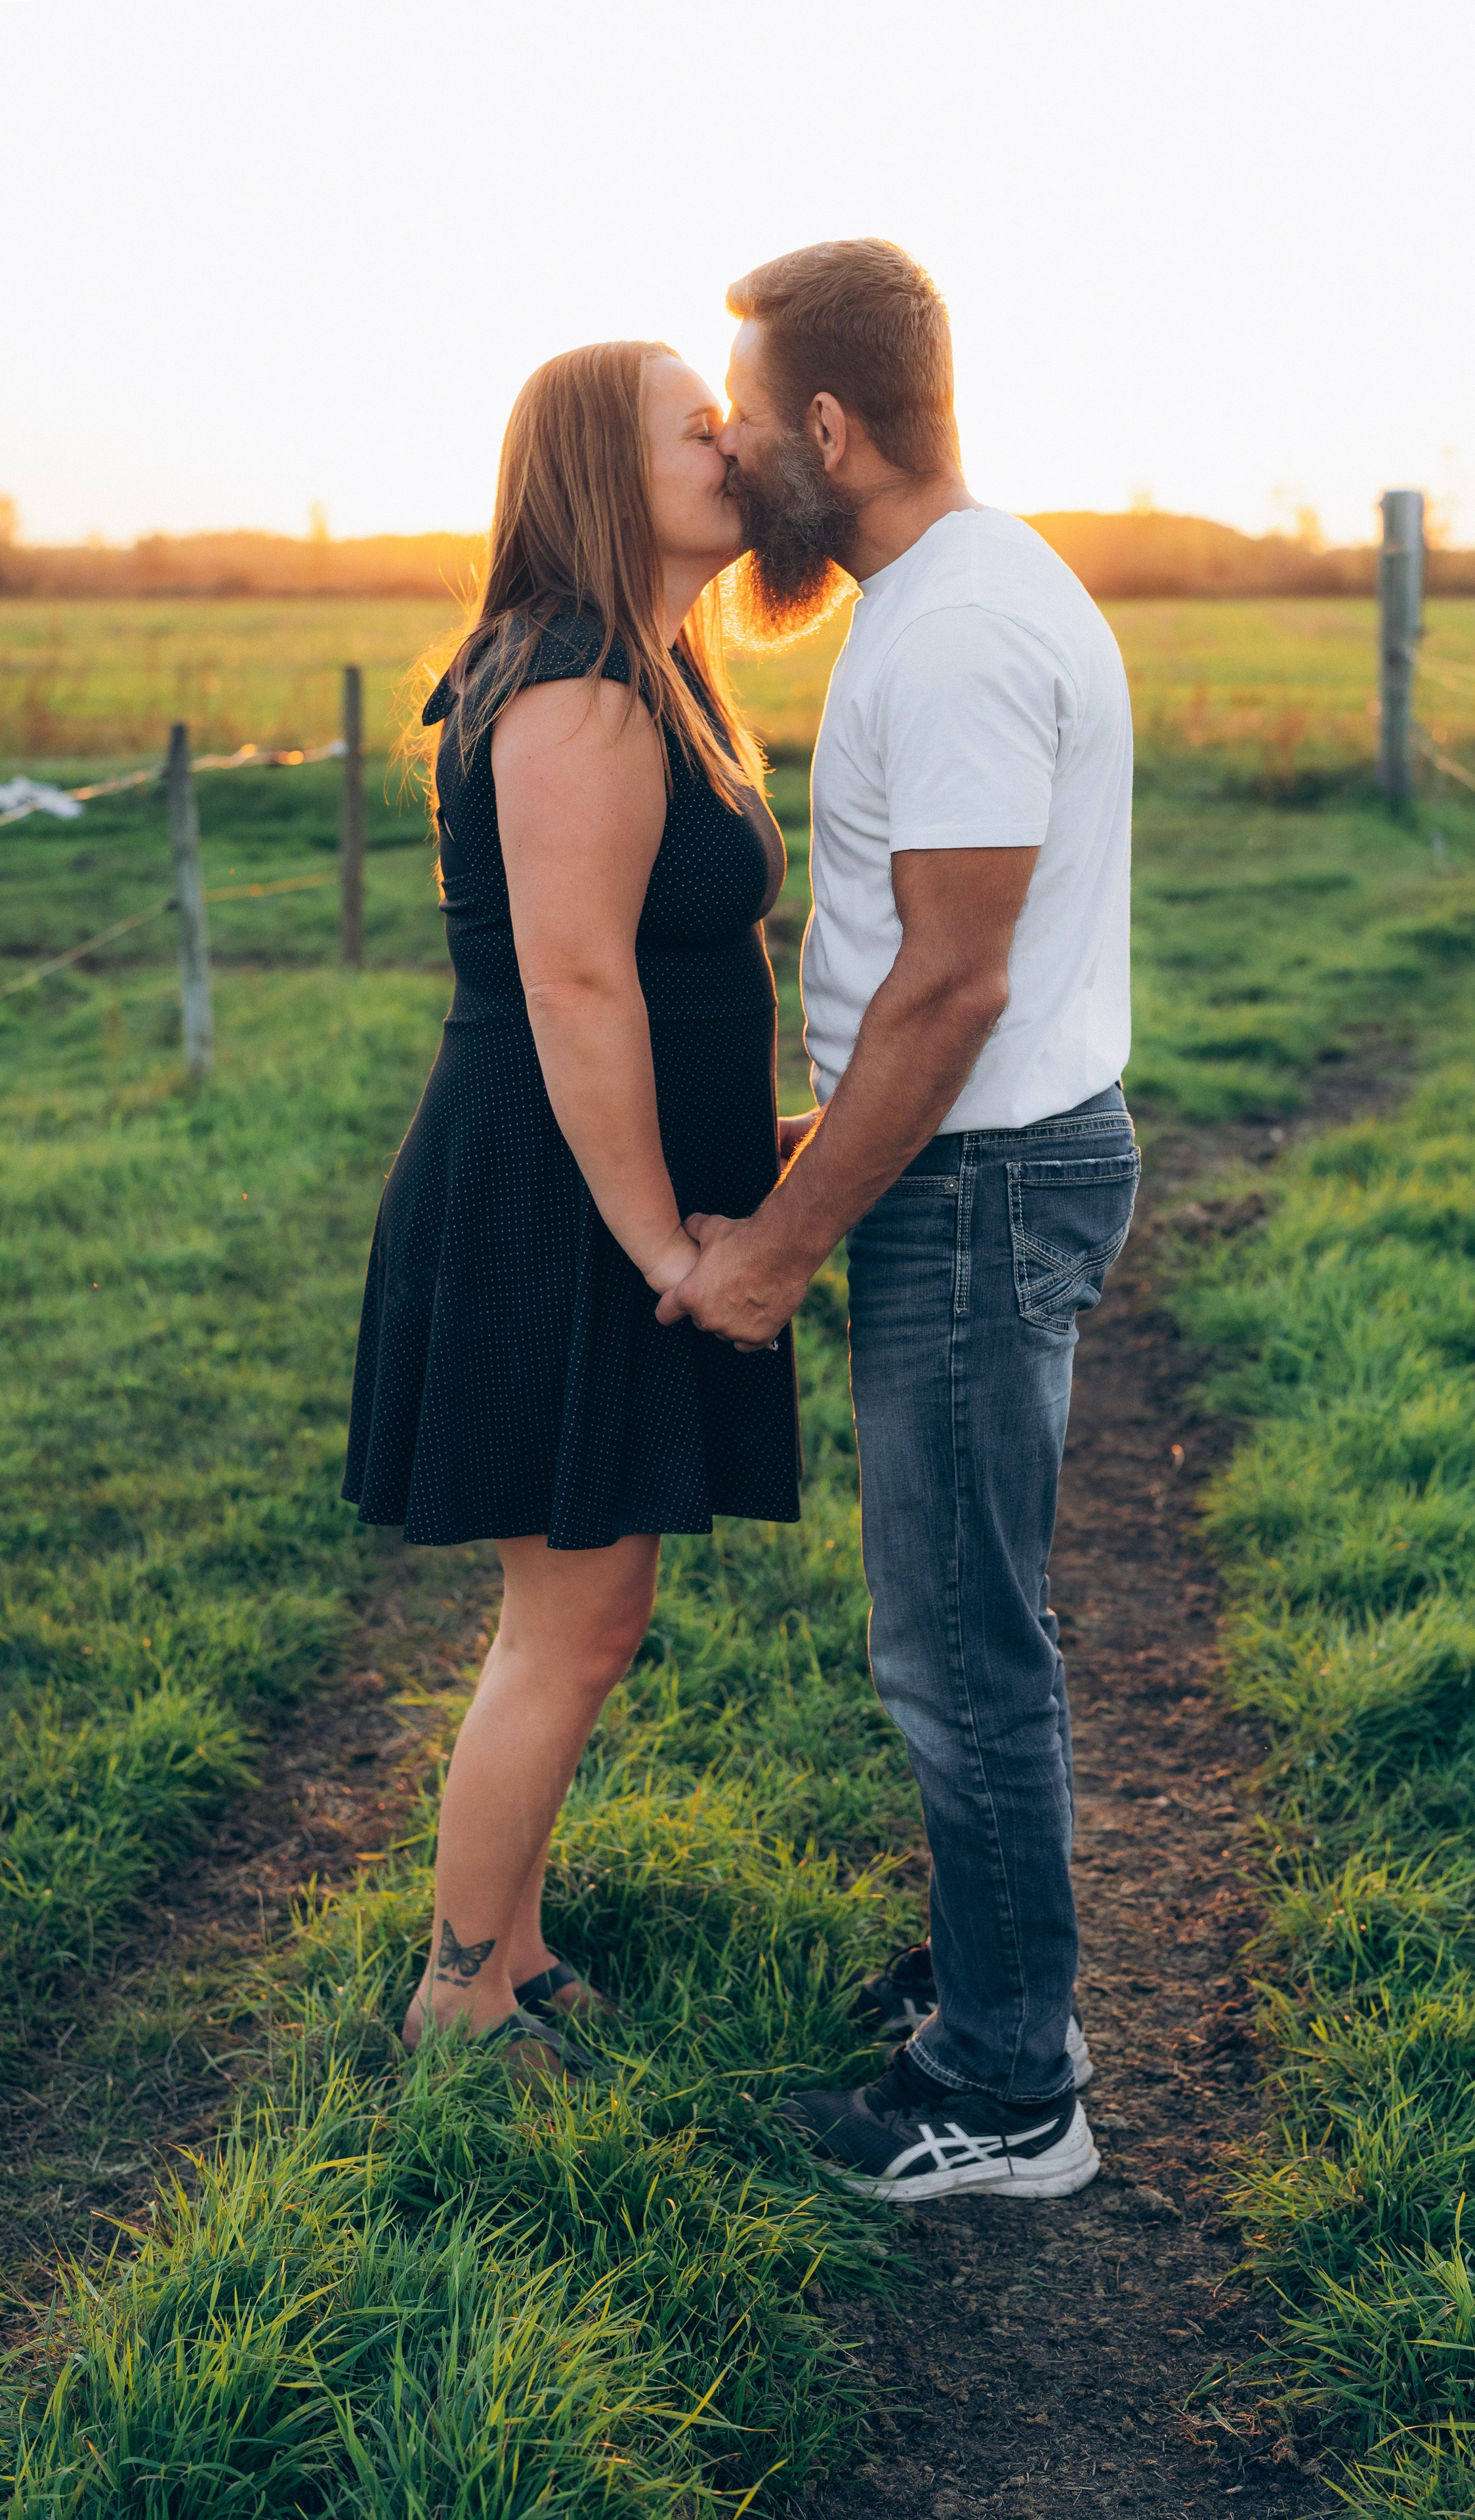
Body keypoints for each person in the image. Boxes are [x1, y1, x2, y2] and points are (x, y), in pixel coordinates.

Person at [659, 240, 1136, 2200]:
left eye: (751, 418)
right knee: (968, 1624)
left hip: (982, 1179)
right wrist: (816, 1125)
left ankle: (1012, 2090)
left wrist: (774, 1249)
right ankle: (1000, 1984)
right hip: (989, 1157)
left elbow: (955, 986)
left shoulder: (942, 634)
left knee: (957, 1645)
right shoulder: (971, 589)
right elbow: (923, 990)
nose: (737, 449)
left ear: (831, 429)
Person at [342, 342, 801, 2070]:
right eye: (697, 429)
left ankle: (514, 1952)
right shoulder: (580, 683)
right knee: (575, 1612)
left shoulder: (649, 668)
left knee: (590, 1605)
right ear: (604, 474)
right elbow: (575, 988)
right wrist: (668, 1240)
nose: (735, 444)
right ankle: (460, 1991)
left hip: (606, 1185)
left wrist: (741, 1150)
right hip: (559, 1199)